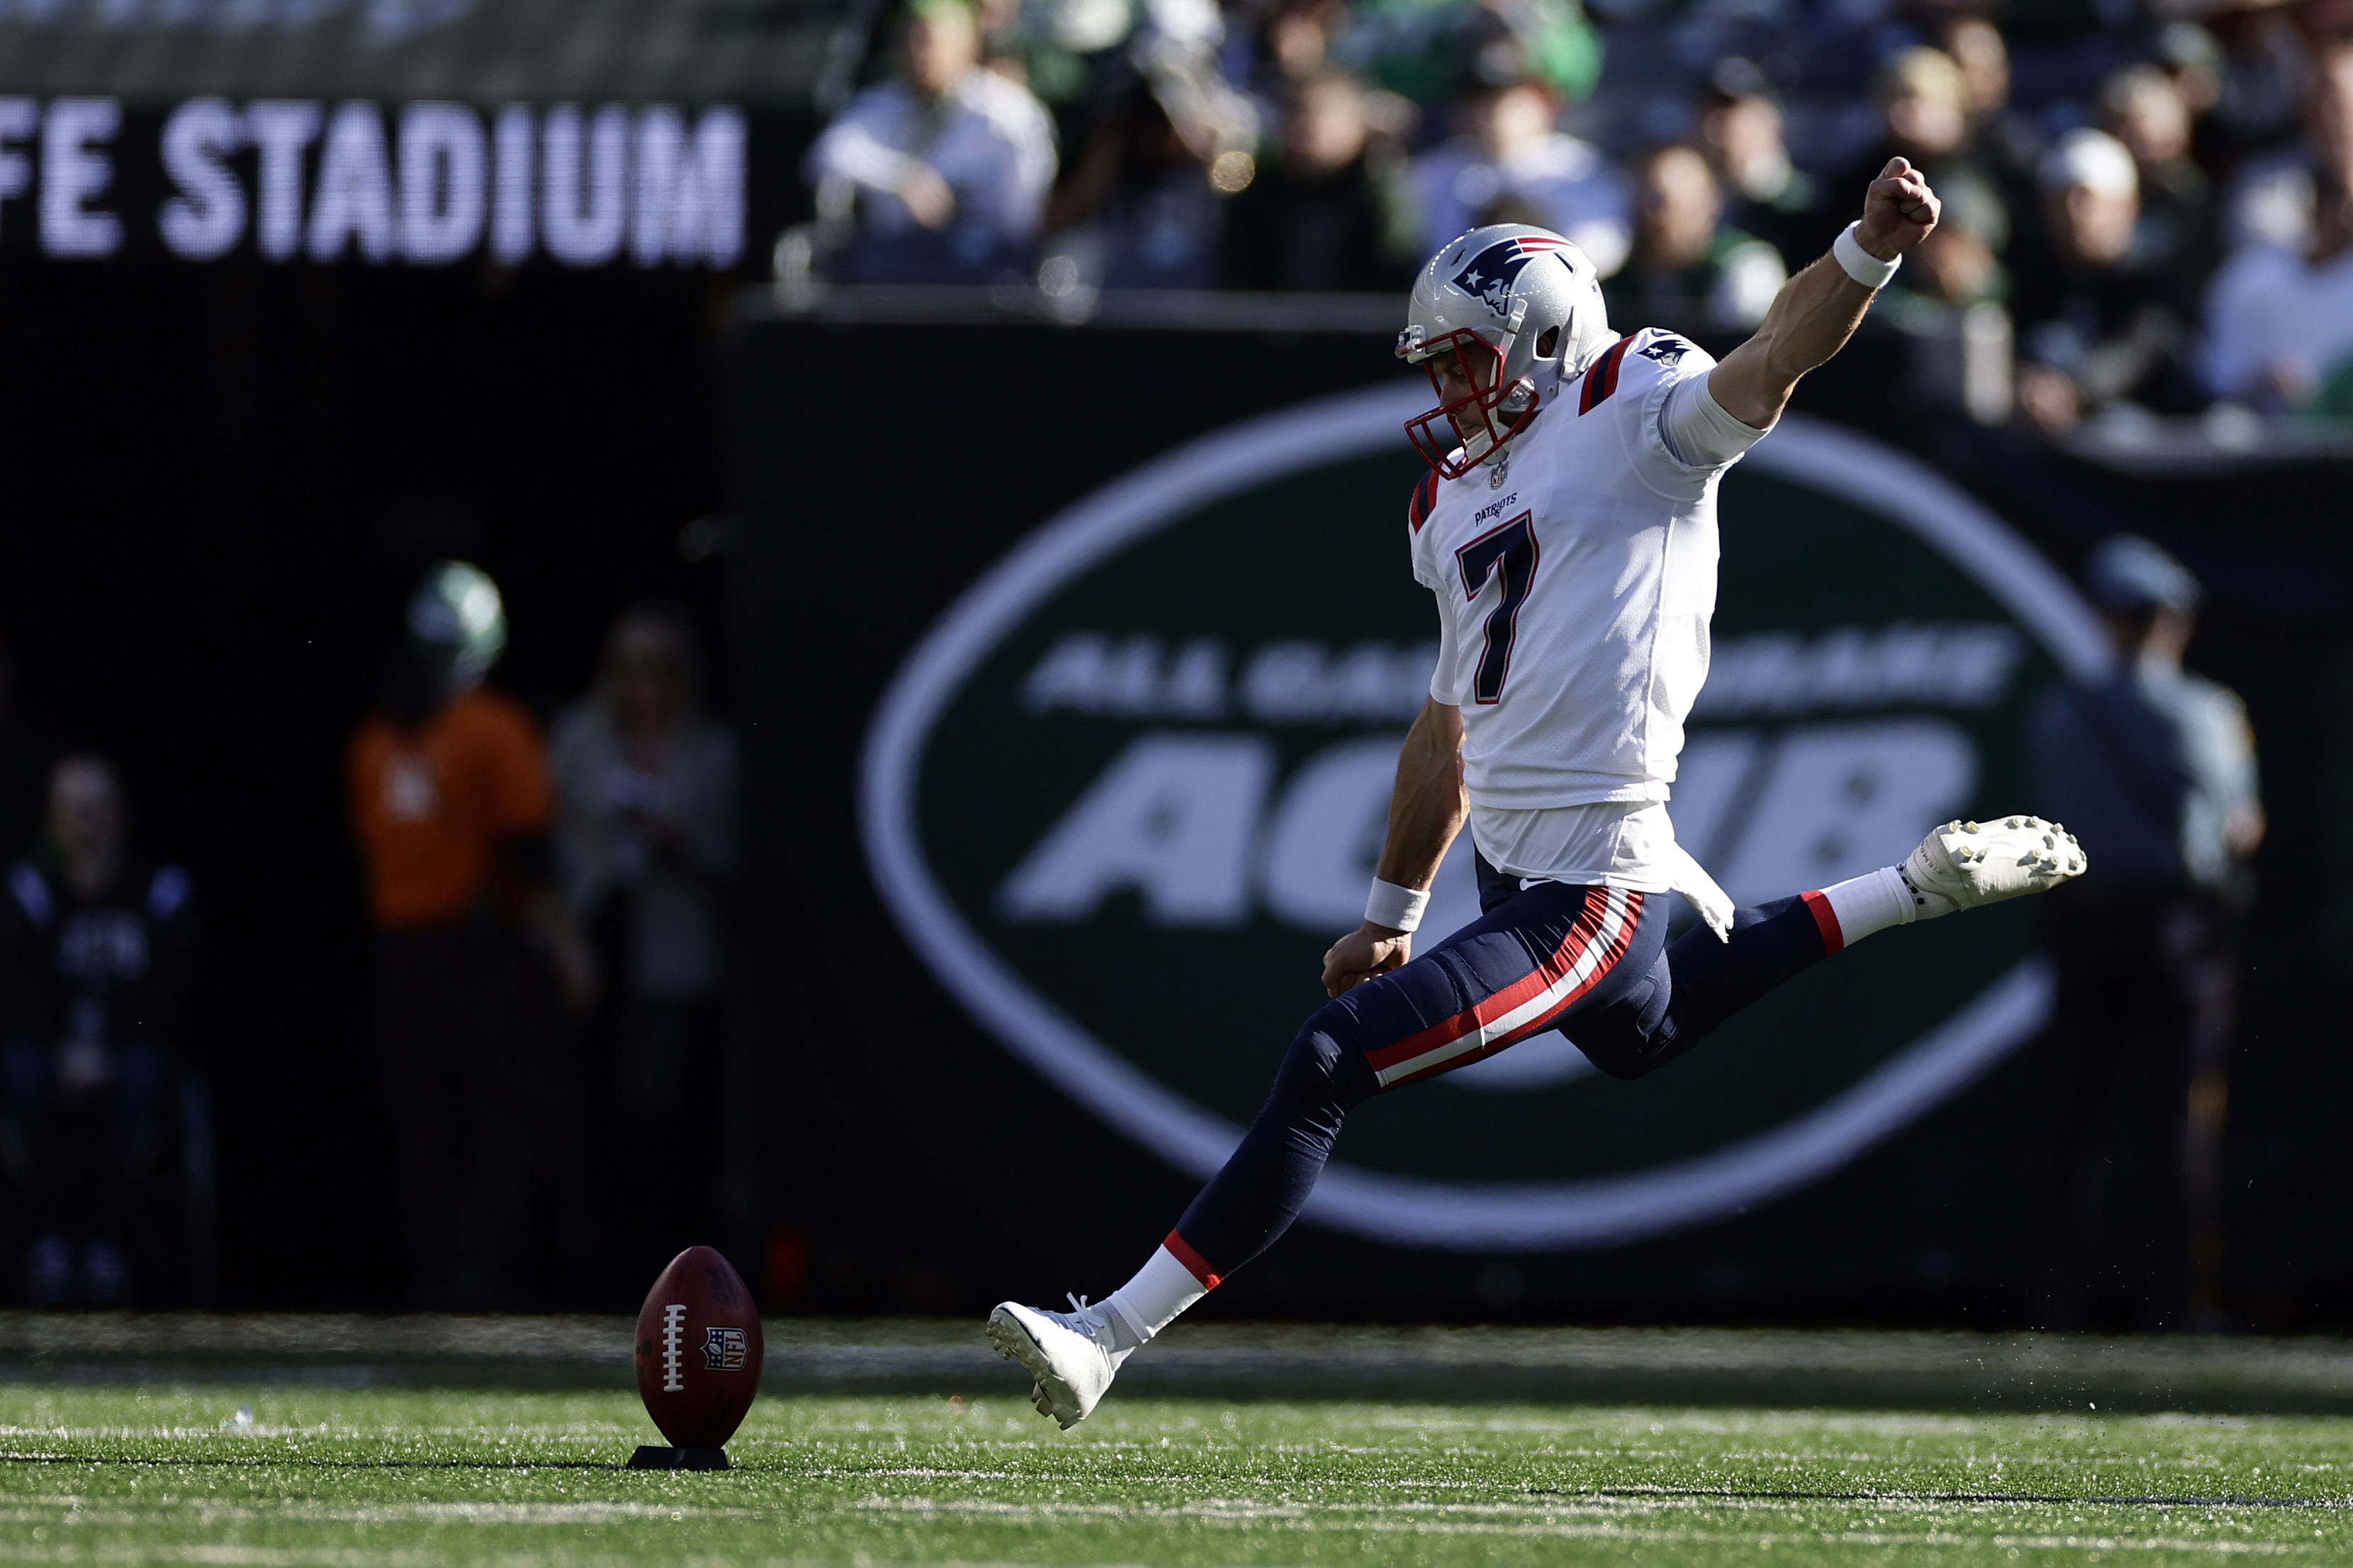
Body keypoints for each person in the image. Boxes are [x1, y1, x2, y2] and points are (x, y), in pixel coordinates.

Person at [987, 159, 2088, 1428]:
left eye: (1465, 359)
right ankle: (1916, 883)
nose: (1447, 388)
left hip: (1591, 884)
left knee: (1332, 1059)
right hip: (1517, 871)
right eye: (1437, 364)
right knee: (1645, 1032)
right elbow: (1446, 727)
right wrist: (1394, 906)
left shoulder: (1633, 407)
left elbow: (1776, 356)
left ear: (1546, 339)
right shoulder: (1449, 495)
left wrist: (1867, 253)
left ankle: (1107, 1333)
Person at [347, 562, 593, 1309]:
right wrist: (570, 942)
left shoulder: (372, 744)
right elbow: (529, 849)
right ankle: (475, 1266)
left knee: (427, 1115)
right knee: (508, 1107)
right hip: (476, 948)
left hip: (402, 954)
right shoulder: (492, 728)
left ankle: (435, 1266)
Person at [2029, 537, 2259, 1331]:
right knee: (2173, 1120)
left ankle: (2059, 1301)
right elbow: (2239, 830)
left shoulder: (2058, 715)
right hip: (2174, 933)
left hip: (2083, 925)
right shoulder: (2210, 712)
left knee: (2072, 1118)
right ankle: (2176, 1303)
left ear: (2104, 619)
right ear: (2171, 623)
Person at [549, 608, 739, 1249]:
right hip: (596, 938)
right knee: (589, 1103)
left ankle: (669, 1257)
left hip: (671, 946)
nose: (643, 684)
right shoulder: (580, 736)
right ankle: (593, 1252)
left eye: (658, 669)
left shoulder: (710, 750)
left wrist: (673, 836)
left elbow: (735, 859)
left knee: (663, 1106)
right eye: (631, 668)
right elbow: (551, 838)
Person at [0, 757, 195, 1307]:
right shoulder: (28, 892)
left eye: (97, 805)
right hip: (52, 1052)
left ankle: (110, 1235)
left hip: (126, 1050)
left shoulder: (160, 889)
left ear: (123, 814)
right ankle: (51, 1234)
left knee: (146, 1067)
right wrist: (67, 1047)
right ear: (51, 819)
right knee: (18, 1064)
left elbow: (167, 993)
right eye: (71, 806)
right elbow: (19, 986)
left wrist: (108, 1044)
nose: (85, 819)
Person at [804, 0, 1058, 282]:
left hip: (985, 273)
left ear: (968, 43)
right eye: (908, 39)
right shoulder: (878, 105)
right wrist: (901, 178)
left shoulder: (1008, 113)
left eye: (928, 40)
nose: (917, 52)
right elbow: (825, 156)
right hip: (892, 271)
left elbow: (1022, 218)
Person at [2011, 129, 2201, 435]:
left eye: (2086, 199)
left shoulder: (2153, 281)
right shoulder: (2035, 274)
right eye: (2059, 200)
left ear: (2126, 206)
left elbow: (2135, 351)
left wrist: (2073, 391)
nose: (2073, 214)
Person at [2205, 40, 2353, 412]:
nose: (2333, 113)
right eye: (2323, 96)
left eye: (2342, 98)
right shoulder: (2265, 183)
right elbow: (2281, 268)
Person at [1408, 67, 1632, 276]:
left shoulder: (1579, 169)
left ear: (1542, 104)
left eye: (1506, 100)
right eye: (1478, 99)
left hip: (1552, 304)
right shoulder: (1438, 168)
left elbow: (1604, 254)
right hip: (1450, 304)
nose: (1491, 112)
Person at [1221, 71, 1420, 291]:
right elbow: (1237, 284)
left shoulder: (1380, 195)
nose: (1305, 127)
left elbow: (1391, 283)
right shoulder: (1255, 196)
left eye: (1320, 114)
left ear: (1357, 125)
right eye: (1295, 112)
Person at [1603, 143, 1786, 333]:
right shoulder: (1611, 274)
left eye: (1662, 203)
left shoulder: (1744, 266)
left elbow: (1754, 351)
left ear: (1709, 204)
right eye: (1642, 200)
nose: (1650, 216)